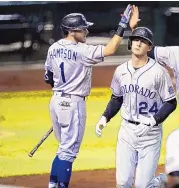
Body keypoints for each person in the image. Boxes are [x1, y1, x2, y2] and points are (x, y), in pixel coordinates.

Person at [44, 5, 134, 188]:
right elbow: (110, 49)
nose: (86, 31)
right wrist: (122, 24)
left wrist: (62, 100)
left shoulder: (53, 48)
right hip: (73, 103)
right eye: (82, 28)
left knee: (63, 149)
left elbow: (49, 77)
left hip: (56, 101)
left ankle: (53, 185)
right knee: (68, 152)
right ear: (71, 31)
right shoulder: (82, 51)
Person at [95, 27, 177, 188]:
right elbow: (117, 98)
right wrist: (105, 117)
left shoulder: (158, 72)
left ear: (150, 47)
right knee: (123, 182)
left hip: (150, 134)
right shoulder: (120, 71)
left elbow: (171, 102)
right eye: (136, 40)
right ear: (130, 42)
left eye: (143, 41)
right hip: (127, 131)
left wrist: (153, 121)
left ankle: (159, 182)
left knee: (142, 185)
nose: (138, 44)